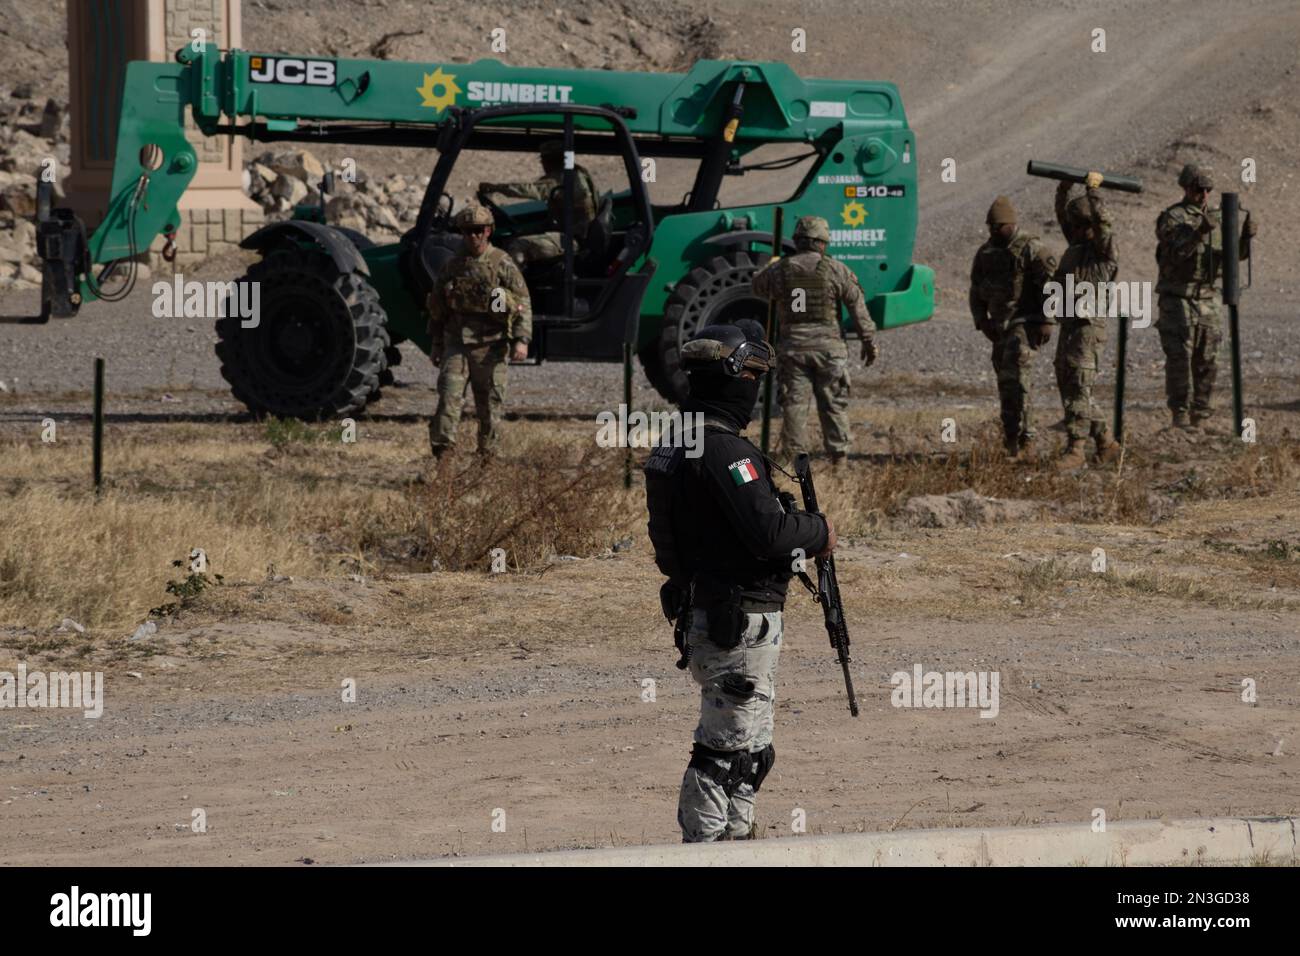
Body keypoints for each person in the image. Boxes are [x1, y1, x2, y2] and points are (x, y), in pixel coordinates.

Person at [644, 320, 833, 842]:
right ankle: (703, 848)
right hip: (736, 618)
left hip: (709, 609)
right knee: (725, 749)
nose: (754, 388)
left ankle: (737, 842)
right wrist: (819, 531)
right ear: (733, 378)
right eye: (751, 375)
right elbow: (770, 533)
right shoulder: (725, 451)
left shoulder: (675, 443)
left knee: (751, 746)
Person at [750, 215, 879, 465]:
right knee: (833, 404)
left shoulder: (781, 269)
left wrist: (771, 265)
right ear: (823, 242)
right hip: (829, 351)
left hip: (793, 350)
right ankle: (838, 461)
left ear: (797, 240)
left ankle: (797, 463)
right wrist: (869, 342)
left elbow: (756, 286)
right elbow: (857, 307)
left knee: (795, 406)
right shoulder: (836, 270)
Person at [1155, 164, 1257, 429]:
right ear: (1186, 188)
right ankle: (1179, 416)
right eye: (1198, 189)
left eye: (1207, 190)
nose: (1203, 195)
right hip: (1178, 297)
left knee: (1208, 359)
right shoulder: (1172, 218)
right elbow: (1175, 254)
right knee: (1179, 359)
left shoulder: (1216, 217)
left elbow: (1234, 257)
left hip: (1207, 297)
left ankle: (1200, 417)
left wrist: (1245, 237)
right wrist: (1199, 231)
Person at [426, 203, 531, 458]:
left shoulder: (501, 263)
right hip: (457, 343)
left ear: (488, 231)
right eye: (467, 231)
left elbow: (522, 302)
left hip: (491, 346)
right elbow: (438, 307)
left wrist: (521, 339)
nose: (473, 236)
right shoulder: (453, 265)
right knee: (448, 401)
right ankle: (444, 461)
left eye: (478, 230)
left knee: (489, 407)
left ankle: (488, 460)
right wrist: (437, 345)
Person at [969, 195, 1058, 459]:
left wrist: (1047, 320)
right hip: (1000, 328)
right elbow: (975, 290)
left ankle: (1026, 439)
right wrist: (981, 320)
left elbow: (1052, 287)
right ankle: (1011, 438)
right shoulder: (985, 253)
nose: (993, 233)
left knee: (1019, 380)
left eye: (998, 227)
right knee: (1006, 383)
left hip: (1025, 324)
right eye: (990, 228)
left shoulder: (1032, 249)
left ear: (1010, 225)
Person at [1051, 175, 1122, 469]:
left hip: (1089, 327)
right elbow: (1062, 214)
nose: (1076, 230)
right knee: (1069, 385)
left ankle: (1076, 451)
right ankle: (1106, 442)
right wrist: (1065, 188)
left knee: (1079, 385)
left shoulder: (1103, 251)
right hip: (1070, 324)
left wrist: (1093, 192)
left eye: (1081, 224)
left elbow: (1104, 221)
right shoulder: (1078, 246)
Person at [478, 139, 599, 268]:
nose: (542, 164)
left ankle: (513, 286)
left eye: (544, 159)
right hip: (567, 234)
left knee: (518, 245)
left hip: (571, 240)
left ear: (553, 159)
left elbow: (531, 189)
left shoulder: (566, 177)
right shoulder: (575, 174)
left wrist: (497, 188)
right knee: (516, 235)